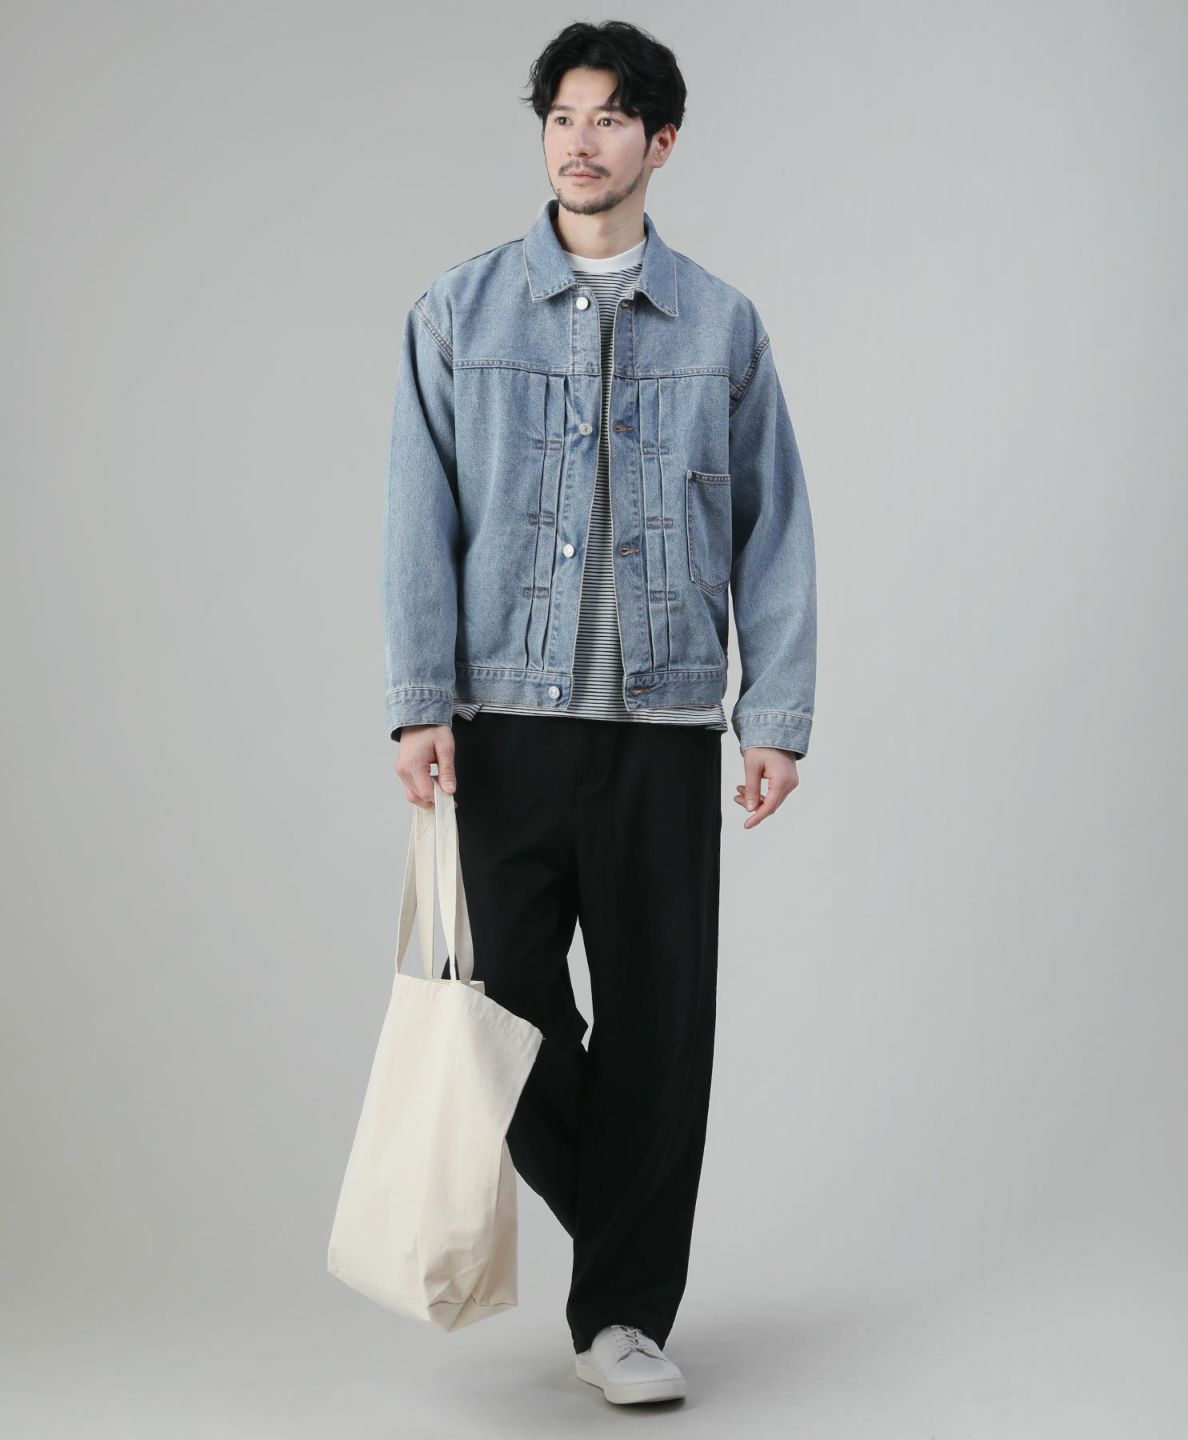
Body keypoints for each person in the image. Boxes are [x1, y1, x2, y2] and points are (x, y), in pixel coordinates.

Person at [380, 20, 817, 1406]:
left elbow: (775, 529)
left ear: (659, 143)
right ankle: (624, 1241)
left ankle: (621, 1318)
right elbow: (416, 516)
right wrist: (417, 701)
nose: (580, 141)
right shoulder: (460, 314)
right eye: (563, 116)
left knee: (659, 1029)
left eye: (610, 119)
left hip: (663, 732)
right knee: (497, 1016)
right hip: (504, 726)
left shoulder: (723, 326)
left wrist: (773, 716)